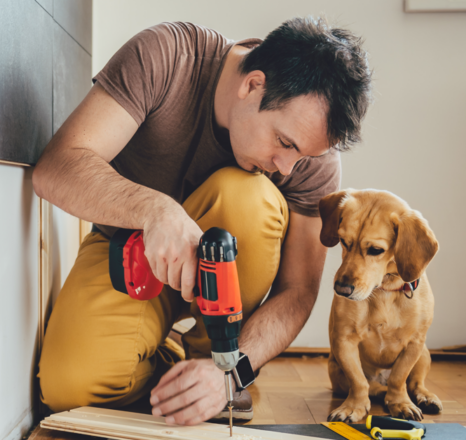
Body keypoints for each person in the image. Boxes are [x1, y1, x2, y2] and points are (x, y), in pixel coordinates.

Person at [32, 17, 371, 426]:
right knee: (70, 387)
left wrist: (232, 372)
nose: (286, 168)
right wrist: (154, 210)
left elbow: (298, 292)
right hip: (131, 249)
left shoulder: (310, 159)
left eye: (302, 156)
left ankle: (213, 366)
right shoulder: (167, 57)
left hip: (229, 280)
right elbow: (54, 169)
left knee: (246, 195)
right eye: (284, 143)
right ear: (253, 85)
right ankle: (172, 357)